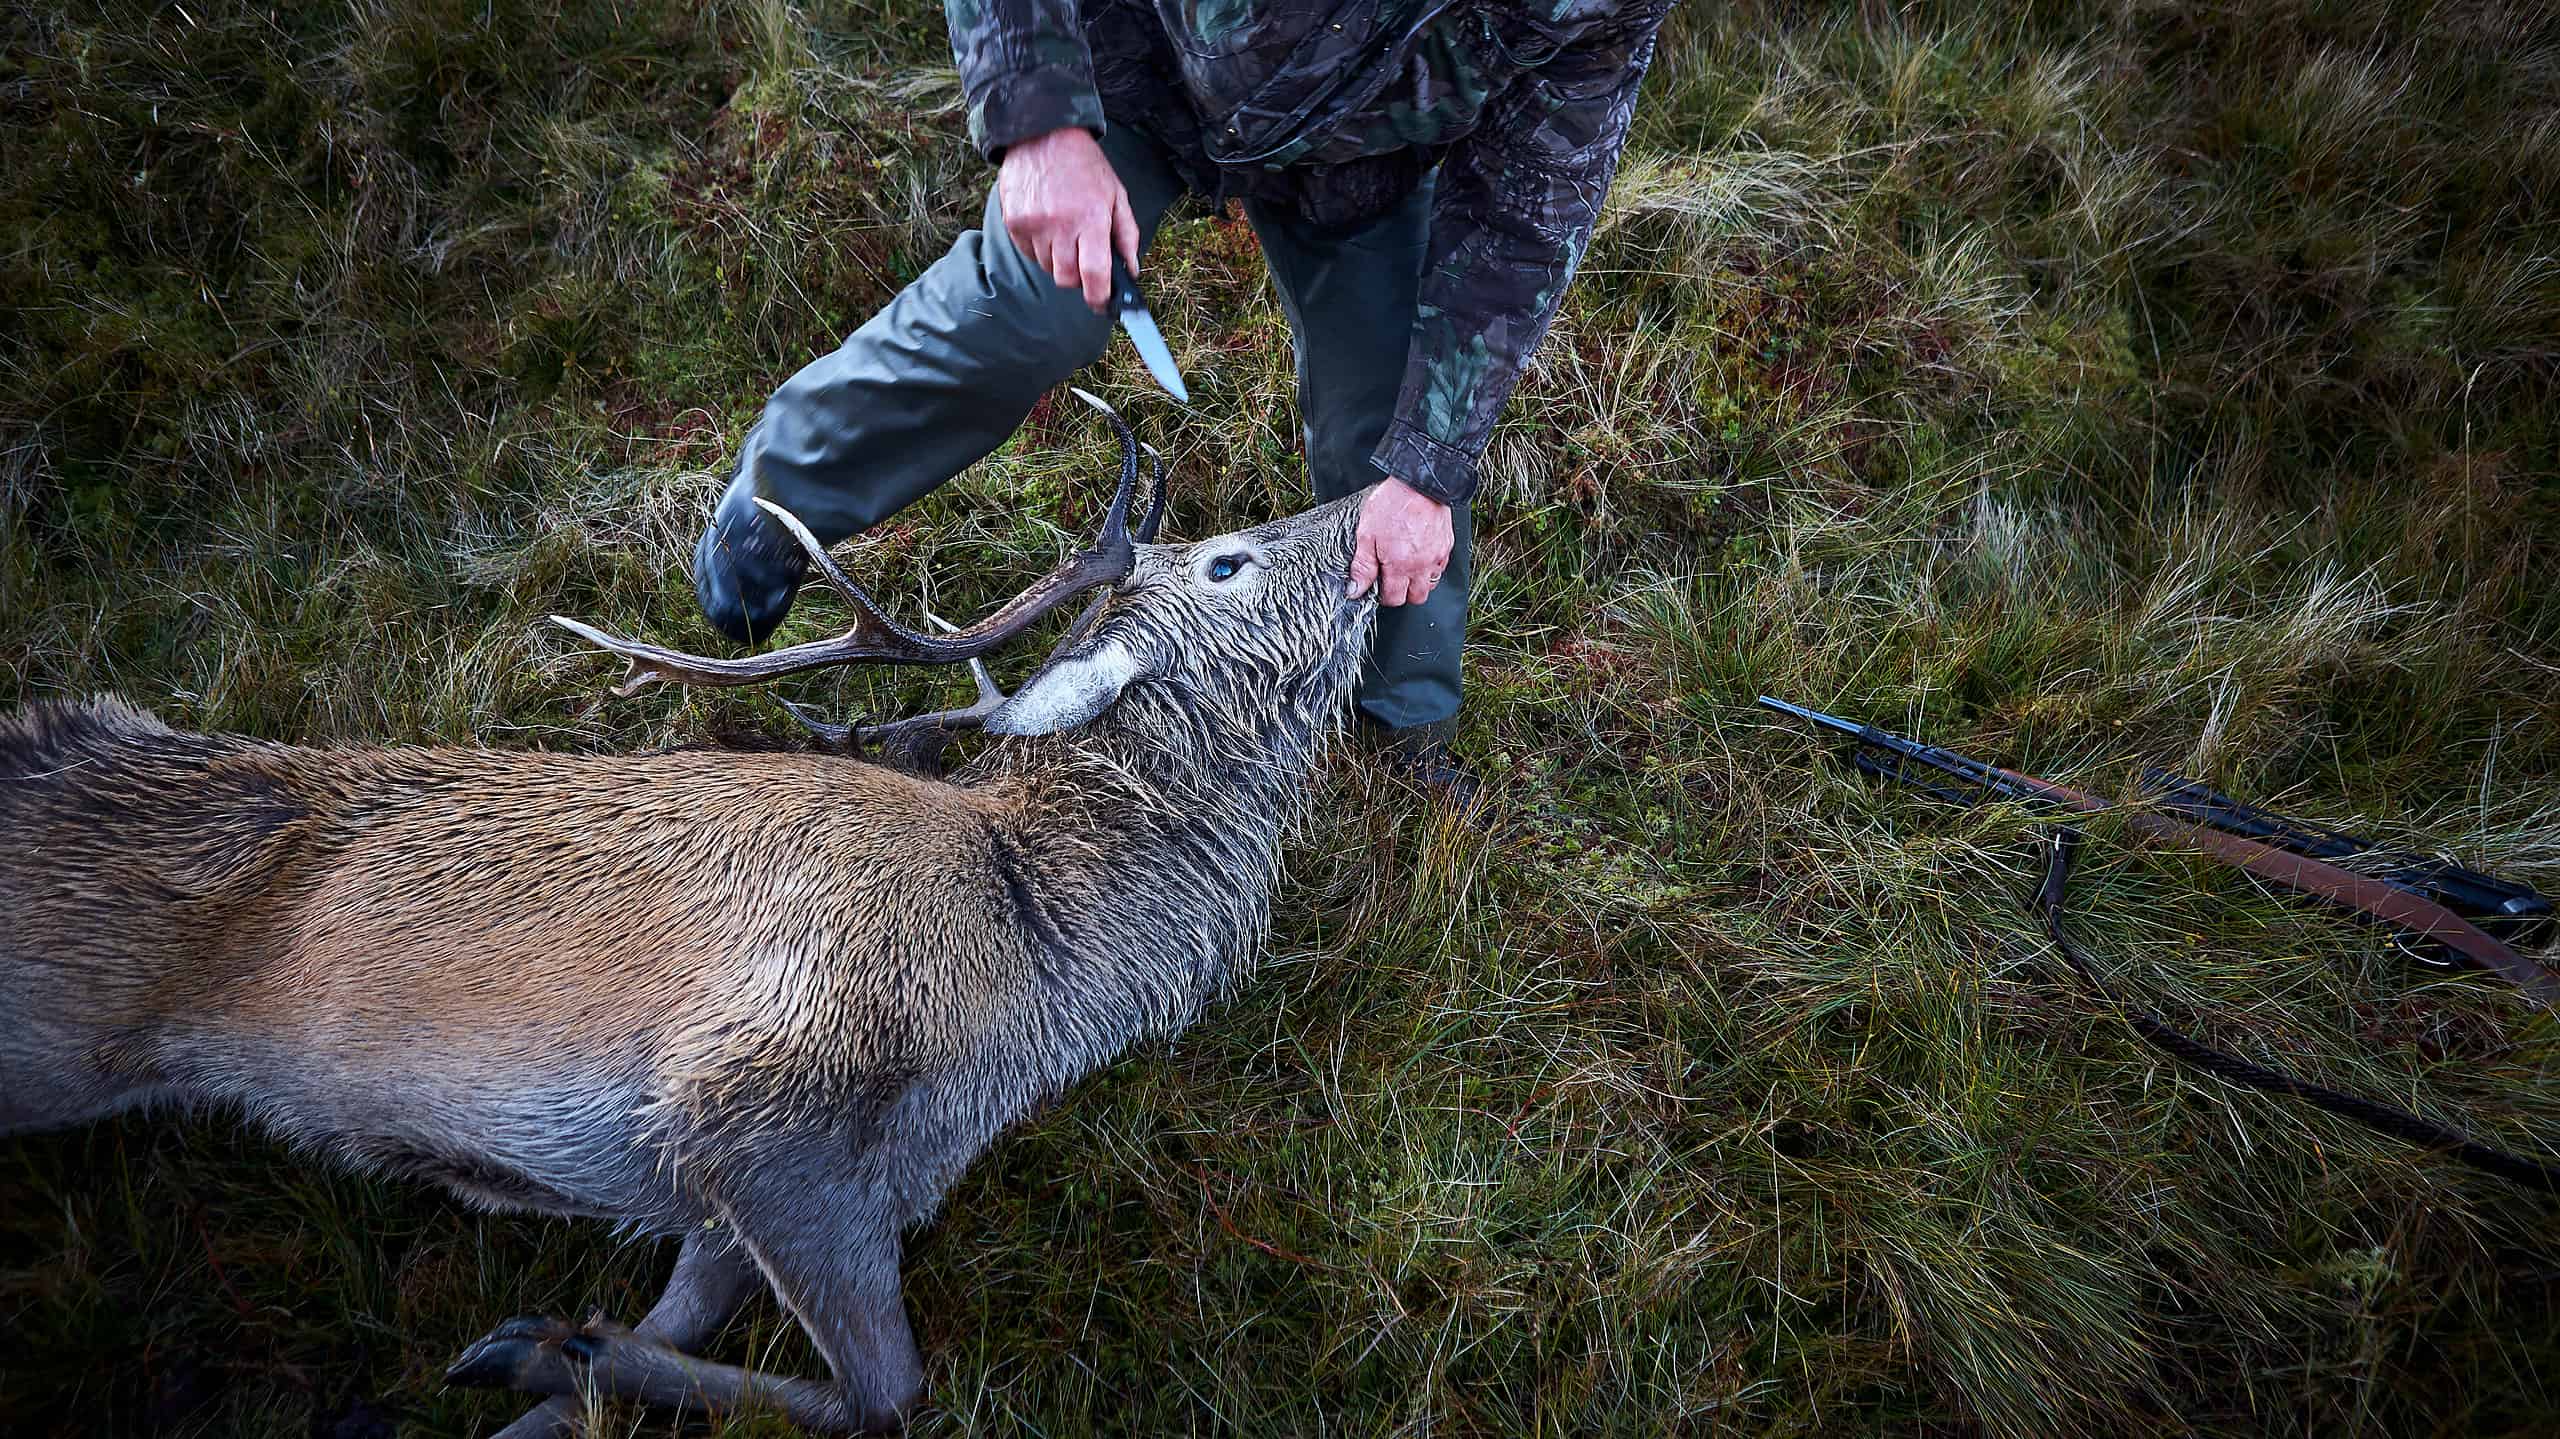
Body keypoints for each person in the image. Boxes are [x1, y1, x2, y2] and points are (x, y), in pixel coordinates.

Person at [694, 1, 1672, 798]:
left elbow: (1522, 224)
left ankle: (1396, 726)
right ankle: (783, 500)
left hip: (1359, 170)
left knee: (1403, 443)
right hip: (1134, 77)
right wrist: (1038, 118)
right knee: (1032, 315)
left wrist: (1427, 467)